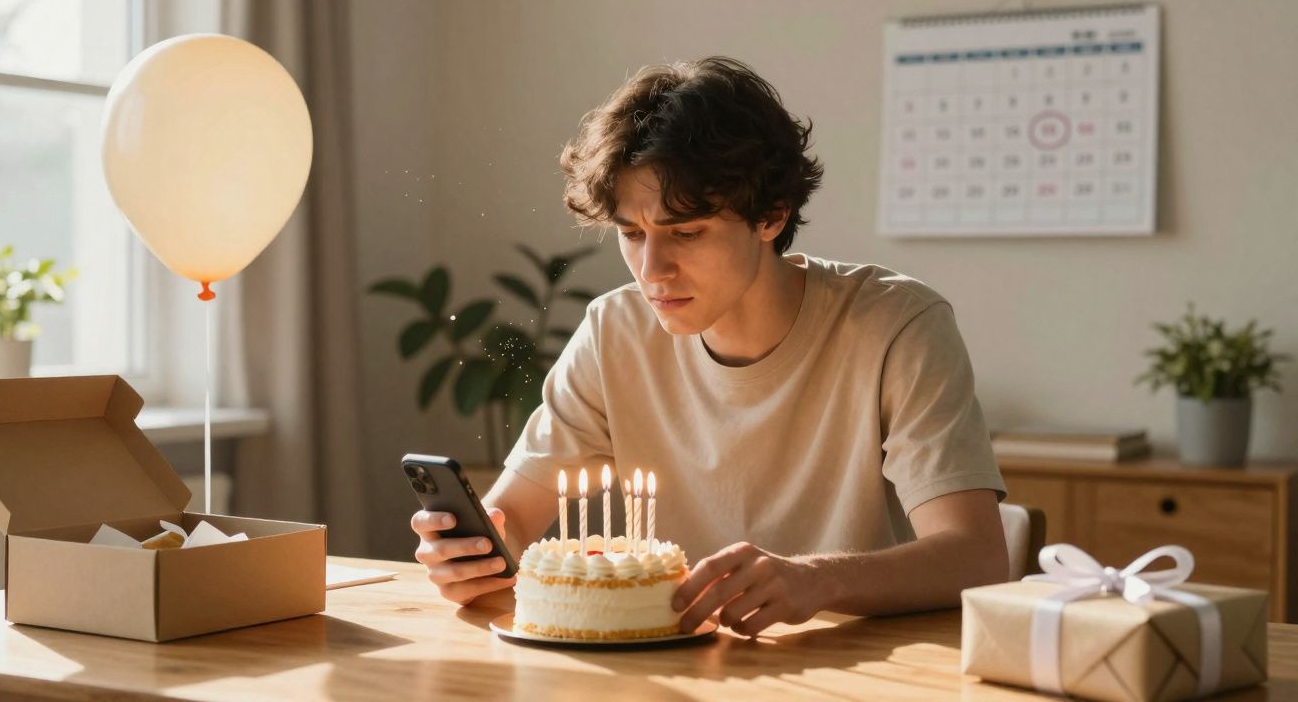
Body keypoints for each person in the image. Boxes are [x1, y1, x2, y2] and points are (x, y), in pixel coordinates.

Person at [411, 57, 1008, 637]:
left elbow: (974, 557)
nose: (653, 270)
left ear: (772, 216)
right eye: (631, 234)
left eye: (686, 233)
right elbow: (509, 518)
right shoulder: (613, 331)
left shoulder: (897, 323)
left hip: (853, 664)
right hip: (670, 671)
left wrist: (814, 580)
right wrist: (473, 554)